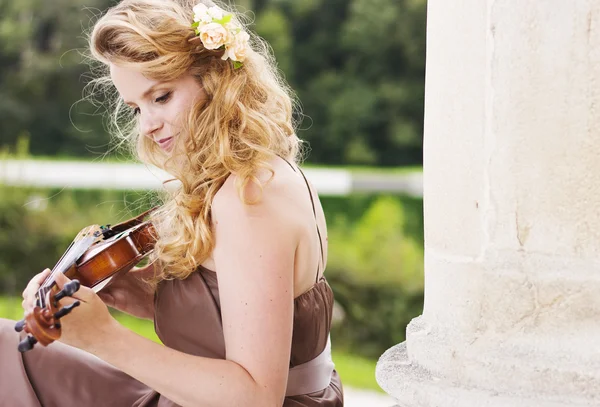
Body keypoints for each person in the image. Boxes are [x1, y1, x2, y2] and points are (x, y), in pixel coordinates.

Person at [0, 0, 344, 406]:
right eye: (136, 108)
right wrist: (148, 299)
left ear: (216, 80)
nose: (147, 124)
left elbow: (255, 396)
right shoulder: (260, 173)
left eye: (161, 97)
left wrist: (104, 338)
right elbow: (236, 319)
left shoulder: (250, 198)